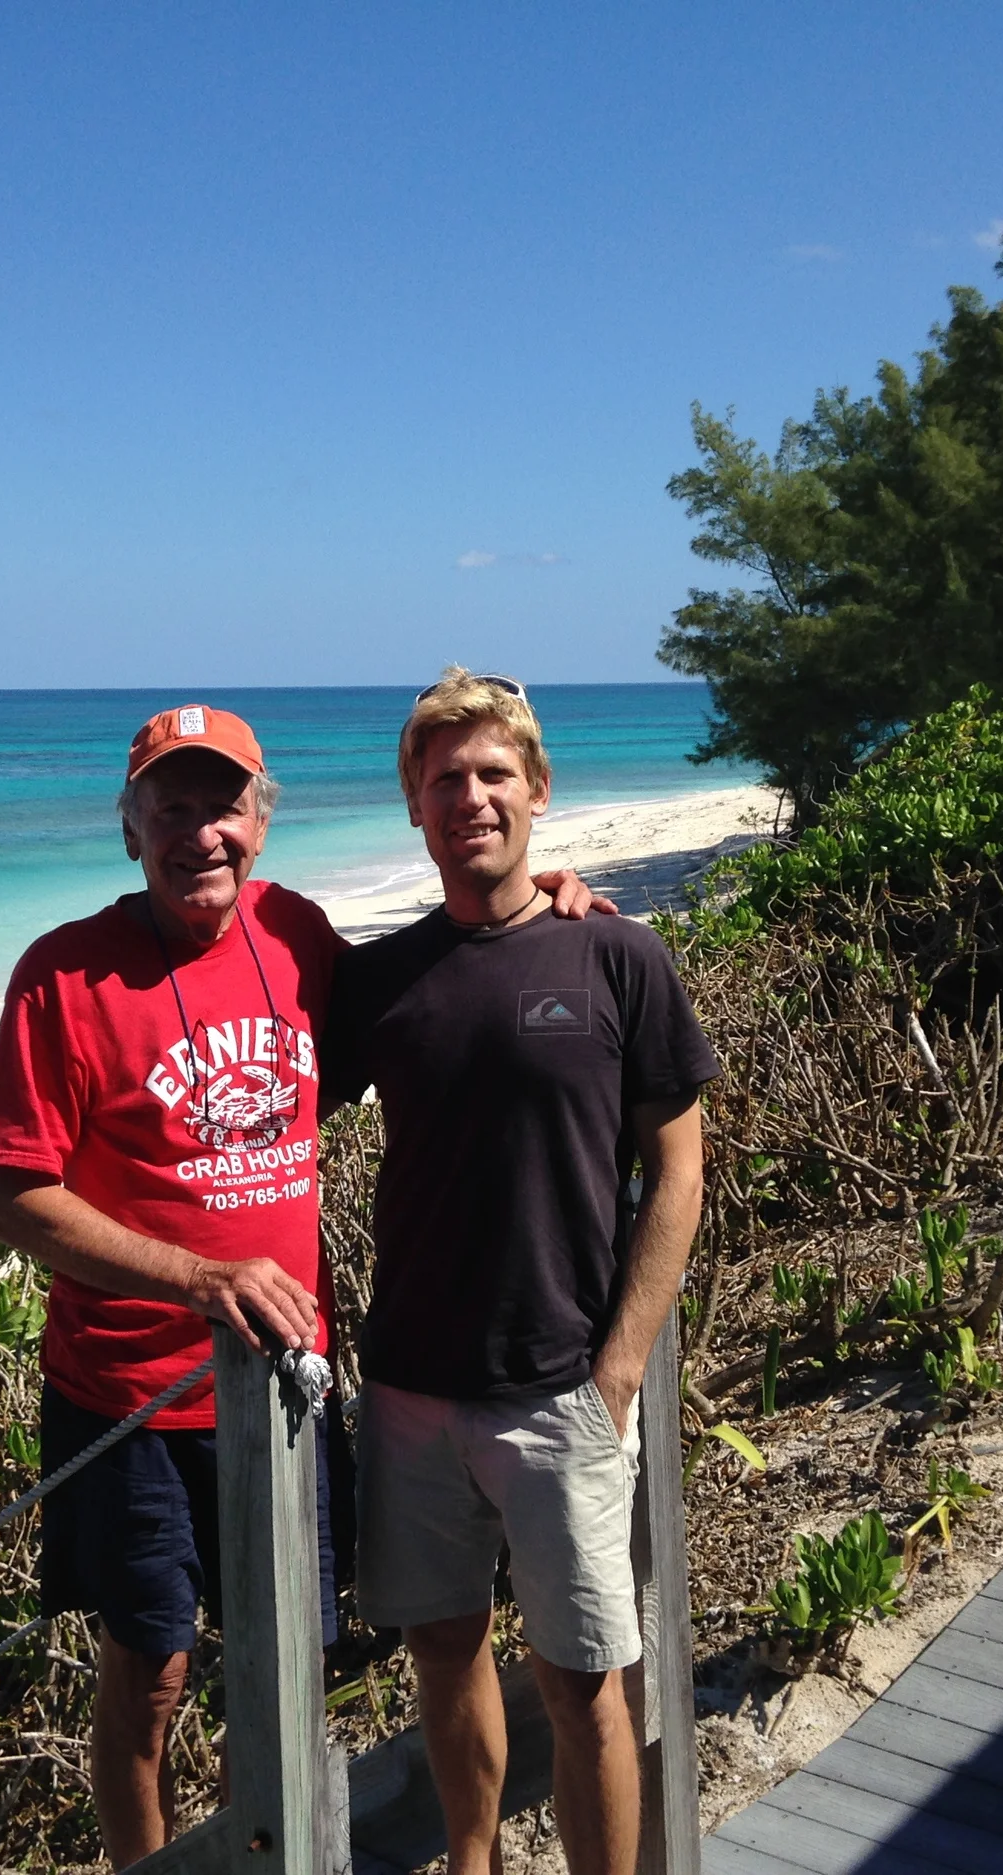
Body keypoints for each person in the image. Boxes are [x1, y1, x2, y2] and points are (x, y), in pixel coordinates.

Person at [0, 702, 604, 1866]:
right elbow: (14, 1200)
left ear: (260, 823)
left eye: (221, 805)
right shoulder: (61, 976)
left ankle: (286, 1849)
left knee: (292, 1663)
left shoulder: (297, 937)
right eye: (169, 807)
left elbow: (431, 992)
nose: (197, 833)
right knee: (150, 1673)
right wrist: (198, 1278)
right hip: (130, 1402)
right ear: (129, 830)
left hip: (286, 1397)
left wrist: (535, 910)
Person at [325, 671, 718, 1875]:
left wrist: (619, 1368)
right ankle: (473, 1863)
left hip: (562, 1392)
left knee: (584, 1681)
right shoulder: (381, 981)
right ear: (413, 805)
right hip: (408, 1392)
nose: (471, 798)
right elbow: (256, 1118)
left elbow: (679, 1174)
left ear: (538, 792)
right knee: (442, 1653)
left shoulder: (615, 955)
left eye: (495, 775)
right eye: (445, 780)